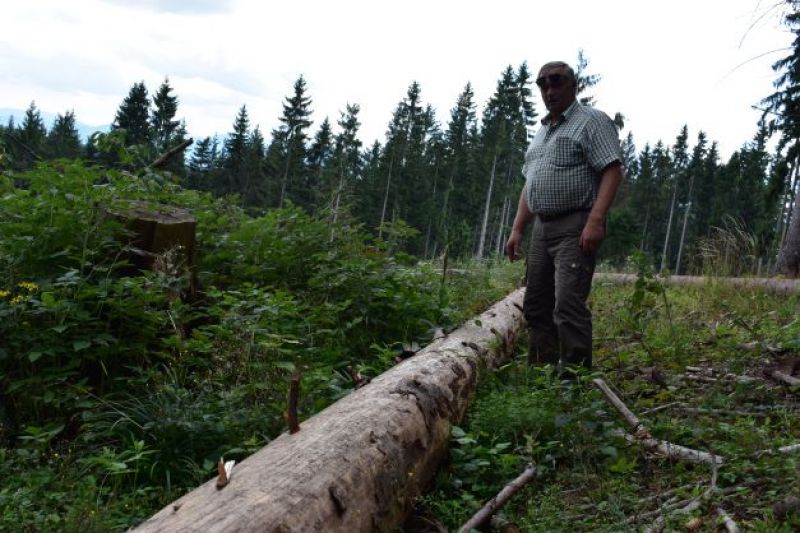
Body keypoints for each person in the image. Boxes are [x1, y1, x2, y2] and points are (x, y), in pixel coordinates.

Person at [505, 60, 623, 374]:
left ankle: (575, 380)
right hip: (542, 229)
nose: (549, 89)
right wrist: (518, 230)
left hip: (576, 225)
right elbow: (529, 186)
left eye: (556, 81)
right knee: (536, 304)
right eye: (542, 83)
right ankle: (541, 377)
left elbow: (612, 170)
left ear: (574, 84)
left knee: (568, 304)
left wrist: (596, 220)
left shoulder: (592, 122)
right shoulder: (542, 133)